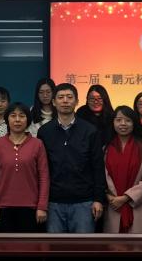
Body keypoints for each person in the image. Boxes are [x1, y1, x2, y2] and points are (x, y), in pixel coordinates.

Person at [37, 83, 106, 233]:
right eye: (61, 97)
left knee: (82, 247)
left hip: (84, 202)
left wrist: (98, 199)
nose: (65, 101)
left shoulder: (90, 131)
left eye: (69, 97)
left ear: (77, 101)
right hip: (53, 203)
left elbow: (98, 168)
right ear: (54, 102)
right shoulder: (44, 132)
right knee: (54, 246)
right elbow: (41, 170)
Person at [0, 101, 49, 232]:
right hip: (2, 208)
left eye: (22, 116)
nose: (17, 120)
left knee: (28, 245)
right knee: (4, 245)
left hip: (31, 208)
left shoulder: (37, 144)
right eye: (13, 115)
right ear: (7, 119)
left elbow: (44, 177)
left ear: (28, 120)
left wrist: (42, 206)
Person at [103, 107, 142, 235]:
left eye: (128, 120)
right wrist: (108, 196)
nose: (123, 124)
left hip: (138, 205)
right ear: (113, 123)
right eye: (118, 120)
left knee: (138, 245)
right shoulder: (106, 149)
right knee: (115, 245)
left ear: (134, 123)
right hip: (113, 204)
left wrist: (126, 198)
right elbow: (102, 177)